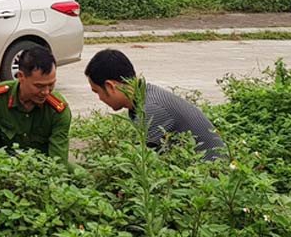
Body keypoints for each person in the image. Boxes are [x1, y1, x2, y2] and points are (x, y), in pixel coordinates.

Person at [84, 48, 226, 161]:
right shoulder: (144, 96)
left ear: (110, 86)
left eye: (97, 92)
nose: (100, 98)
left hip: (212, 175)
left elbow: (141, 162)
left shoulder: (151, 109)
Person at [0, 46, 71, 164]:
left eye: (51, 84)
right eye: (39, 86)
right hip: (4, 168)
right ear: (21, 77)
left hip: (43, 170)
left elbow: (58, 162)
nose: (46, 92)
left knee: (78, 173)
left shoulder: (58, 110)